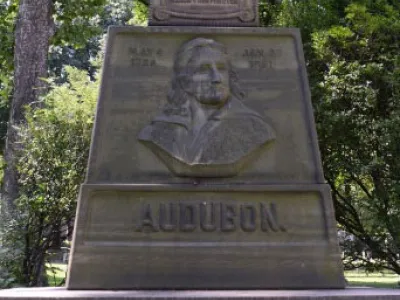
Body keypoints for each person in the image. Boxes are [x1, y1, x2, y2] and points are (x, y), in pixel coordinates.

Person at [138, 37, 275, 176]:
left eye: (221, 69)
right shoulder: (158, 130)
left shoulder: (255, 129)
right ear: (185, 81)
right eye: (203, 70)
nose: (216, 78)